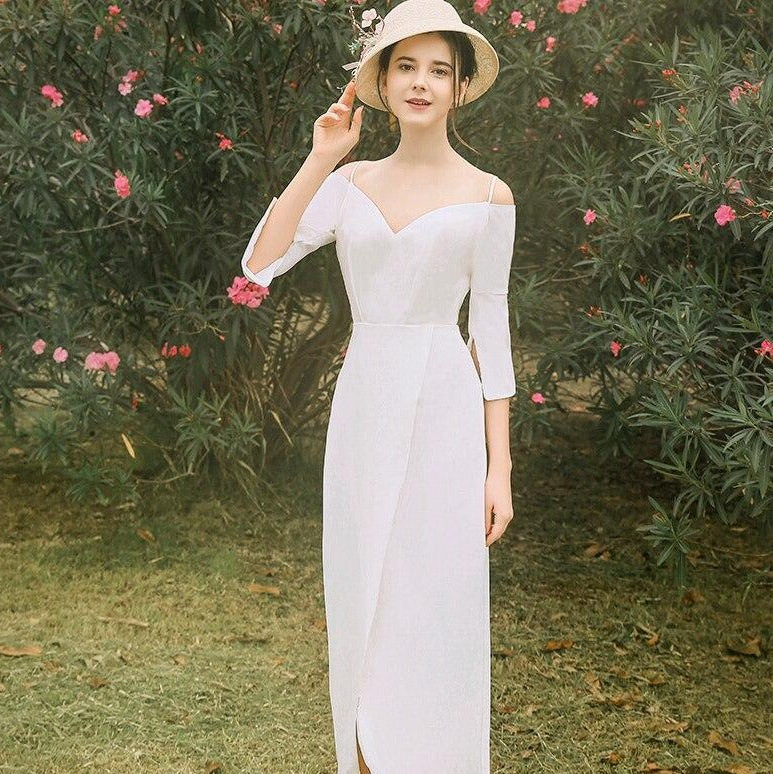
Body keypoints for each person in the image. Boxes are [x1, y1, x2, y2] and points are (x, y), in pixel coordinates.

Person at [240, 1, 517, 770]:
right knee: (365, 592)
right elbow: (258, 267)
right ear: (383, 81)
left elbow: (490, 334)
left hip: (447, 414)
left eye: (439, 69)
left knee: (437, 599)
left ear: (460, 87)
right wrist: (320, 158)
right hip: (365, 404)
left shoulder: (490, 197)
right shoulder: (349, 182)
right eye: (406, 66)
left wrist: (499, 468)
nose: (421, 82)